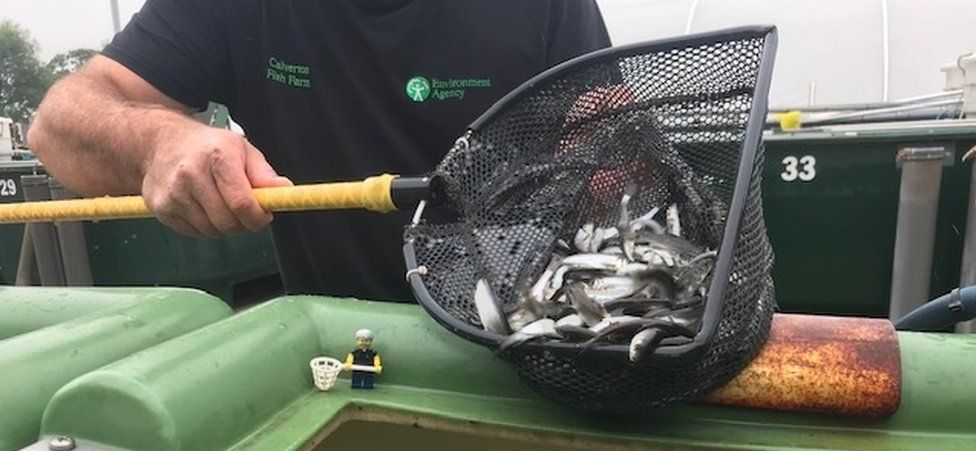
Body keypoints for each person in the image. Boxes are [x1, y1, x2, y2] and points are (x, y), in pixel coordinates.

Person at [28, 0, 611, 302]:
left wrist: (610, 158)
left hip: (526, 330)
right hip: (340, 351)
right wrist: (158, 141)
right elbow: (55, 128)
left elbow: (608, 121)